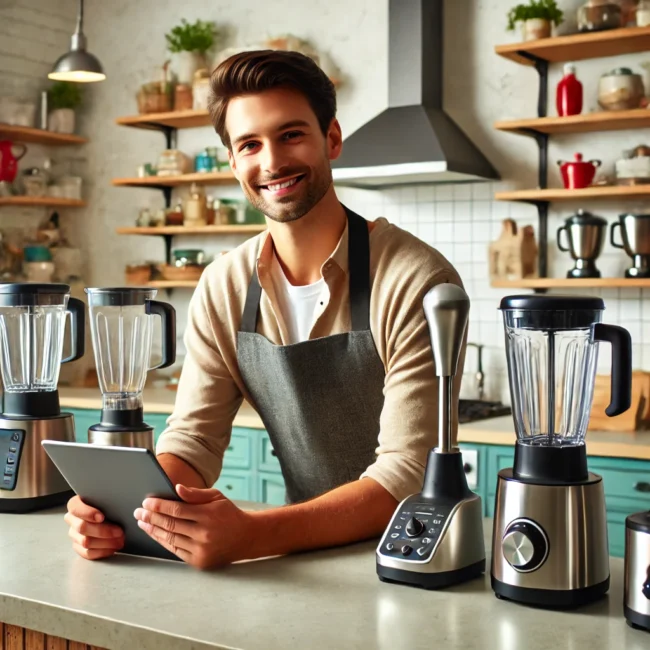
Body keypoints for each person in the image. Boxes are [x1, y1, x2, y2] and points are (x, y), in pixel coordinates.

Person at [64, 49, 464, 569]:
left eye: (291, 134)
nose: (272, 162)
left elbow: (406, 473)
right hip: (304, 558)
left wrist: (252, 536)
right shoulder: (223, 285)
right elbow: (193, 441)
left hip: (421, 557)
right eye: (250, 144)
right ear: (232, 162)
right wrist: (129, 512)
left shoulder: (416, 279)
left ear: (332, 139)